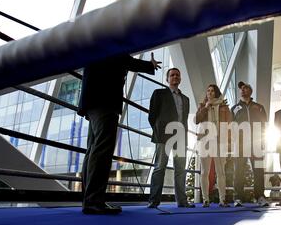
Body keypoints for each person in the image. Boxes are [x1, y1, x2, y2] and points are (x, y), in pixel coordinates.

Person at [78, 53, 161, 215]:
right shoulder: (110, 41)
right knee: (102, 149)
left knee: (94, 149)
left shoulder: (95, 40)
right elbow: (124, 60)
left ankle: (89, 199)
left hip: (93, 99)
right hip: (105, 98)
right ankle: (94, 200)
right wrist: (149, 66)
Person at [148, 68, 194, 208]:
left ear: (180, 79)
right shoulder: (159, 93)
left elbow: (185, 120)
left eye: (177, 75)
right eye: (172, 75)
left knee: (180, 170)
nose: (175, 77)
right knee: (159, 167)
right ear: (167, 79)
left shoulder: (186, 99)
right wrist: (158, 132)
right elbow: (152, 116)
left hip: (180, 137)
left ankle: (182, 201)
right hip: (164, 136)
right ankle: (154, 201)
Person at [230, 81, 269, 207]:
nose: (242, 90)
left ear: (250, 91)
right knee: (238, 172)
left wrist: (262, 141)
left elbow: (264, 125)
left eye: (245, 88)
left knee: (258, 170)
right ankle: (238, 198)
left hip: (256, 144)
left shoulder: (259, 107)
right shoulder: (234, 108)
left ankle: (260, 197)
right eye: (241, 88)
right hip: (240, 145)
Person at [195, 84, 232, 207]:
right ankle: (205, 200)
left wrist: (229, 143)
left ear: (216, 93)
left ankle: (222, 200)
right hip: (205, 141)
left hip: (220, 141)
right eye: (208, 91)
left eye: (212, 91)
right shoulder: (202, 105)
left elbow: (229, 125)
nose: (210, 93)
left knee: (221, 172)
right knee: (204, 172)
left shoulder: (224, 107)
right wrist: (205, 107)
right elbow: (196, 120)